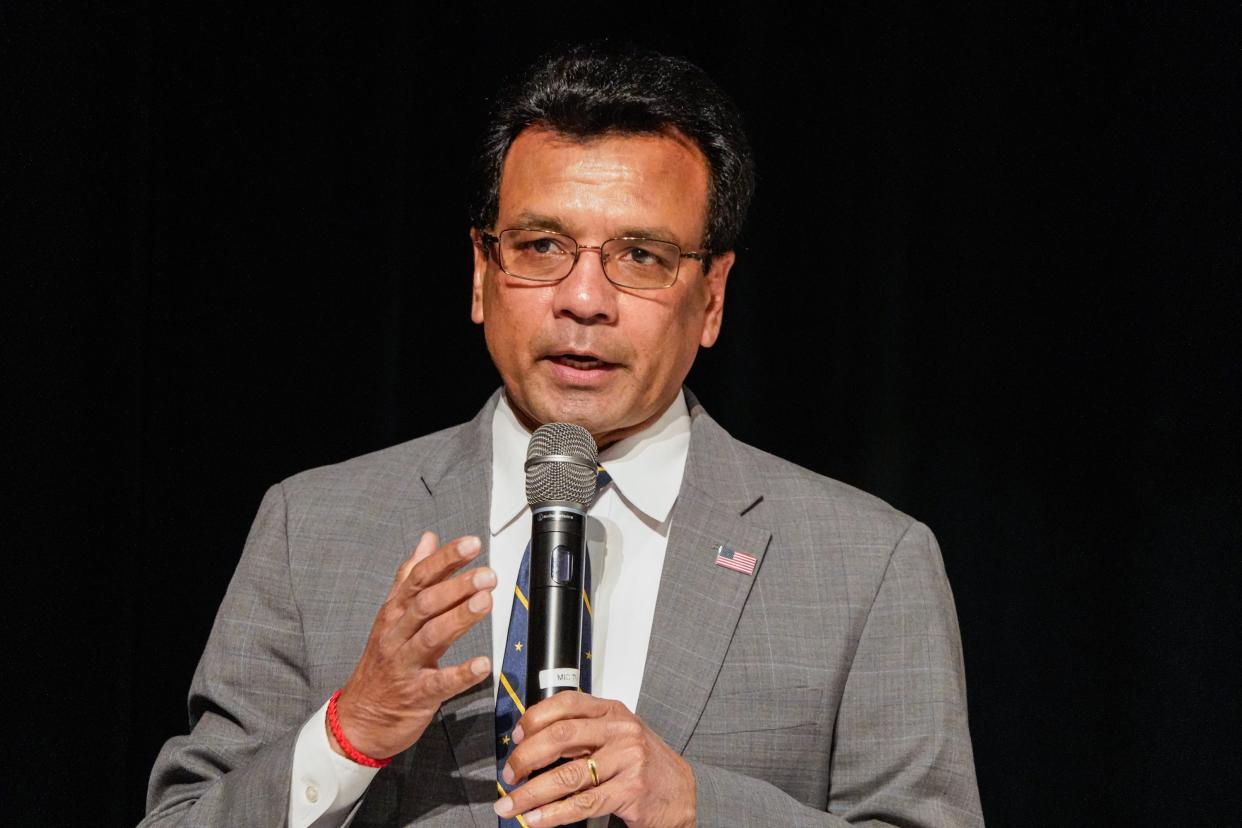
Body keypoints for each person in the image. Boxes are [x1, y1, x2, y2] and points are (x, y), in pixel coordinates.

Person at [143, 43, 982, 827]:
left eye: (642, 256)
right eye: (541, 246)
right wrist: (349, 730)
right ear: (481, 274)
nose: (584, 299)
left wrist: (694, 803)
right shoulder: (313, 527)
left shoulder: (867, 564)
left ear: (714, 294)